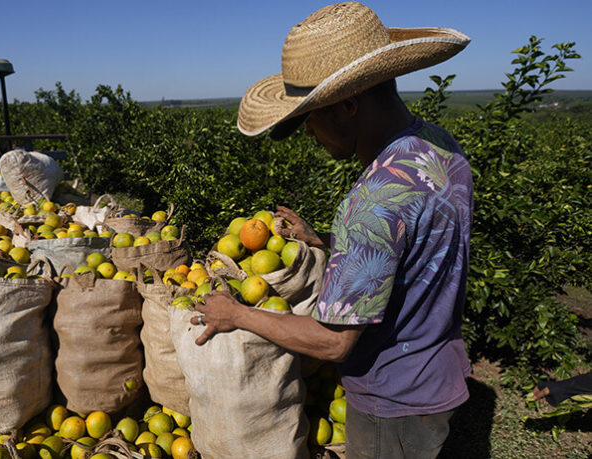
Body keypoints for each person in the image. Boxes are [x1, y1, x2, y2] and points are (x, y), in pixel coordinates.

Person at [191, 3, 472, 457]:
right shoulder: (437, 145)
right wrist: (327, 241)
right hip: (438, 371)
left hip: (392, 402)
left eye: (311, 116)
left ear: (348, 104)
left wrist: (236, 315)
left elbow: (334, 341)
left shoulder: (371, 203)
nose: (309, 133)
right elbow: (412, 245)